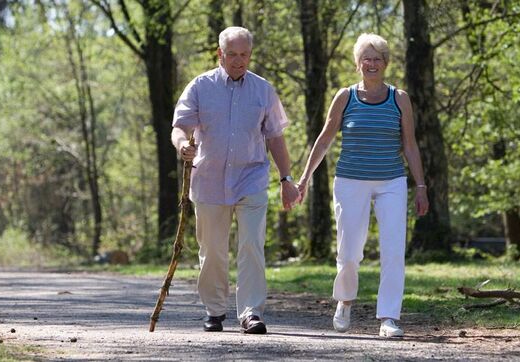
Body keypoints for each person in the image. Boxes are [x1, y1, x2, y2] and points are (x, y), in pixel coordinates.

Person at [296, 33, 429, 338]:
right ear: (357, 63)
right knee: (350, 250)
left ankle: (389, 317)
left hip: (392, 181)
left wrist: (420, 186)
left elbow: (409, 145)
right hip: (350, 180)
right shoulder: (345, 97)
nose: (371, 63)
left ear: (386, 63)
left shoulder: (400, 98)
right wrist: (305, 178)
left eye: (377, 58)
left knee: (394, 249)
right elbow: (326, 138)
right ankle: (344, 299)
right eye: (366, 58)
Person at [171, 26, 299, 334]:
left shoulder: (263, 90)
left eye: (244, 55)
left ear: (250, 55)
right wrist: (182, 146)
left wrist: (286, 178)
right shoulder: (200, 87)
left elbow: (276, 138)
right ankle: (215, 310)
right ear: (220, 54)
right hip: (209, 180)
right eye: (232, 55)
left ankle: (251, 312)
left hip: (251, 177)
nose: (239, 61)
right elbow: (179, 126)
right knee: (212, 249)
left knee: (252, 245)